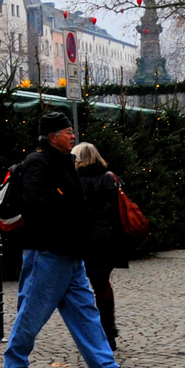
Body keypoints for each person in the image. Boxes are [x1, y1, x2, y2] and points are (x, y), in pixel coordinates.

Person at [2, 113, 142, 368]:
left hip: (69, 251)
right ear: (52, 136)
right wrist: (72, 219)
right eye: (67, 132)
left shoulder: (62, 161)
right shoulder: (38, 163)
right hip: (49, 250)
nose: (73, 136)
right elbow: (37, 204)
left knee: (85, 311)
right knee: (33, 311)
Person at [74, 142, 127, 350]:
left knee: (77, 288)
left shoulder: (74, 181)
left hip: (80, 239)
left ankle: (88, 333)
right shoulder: (109, 179)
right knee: (102, 286)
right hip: (104, 238)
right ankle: (108, 332)